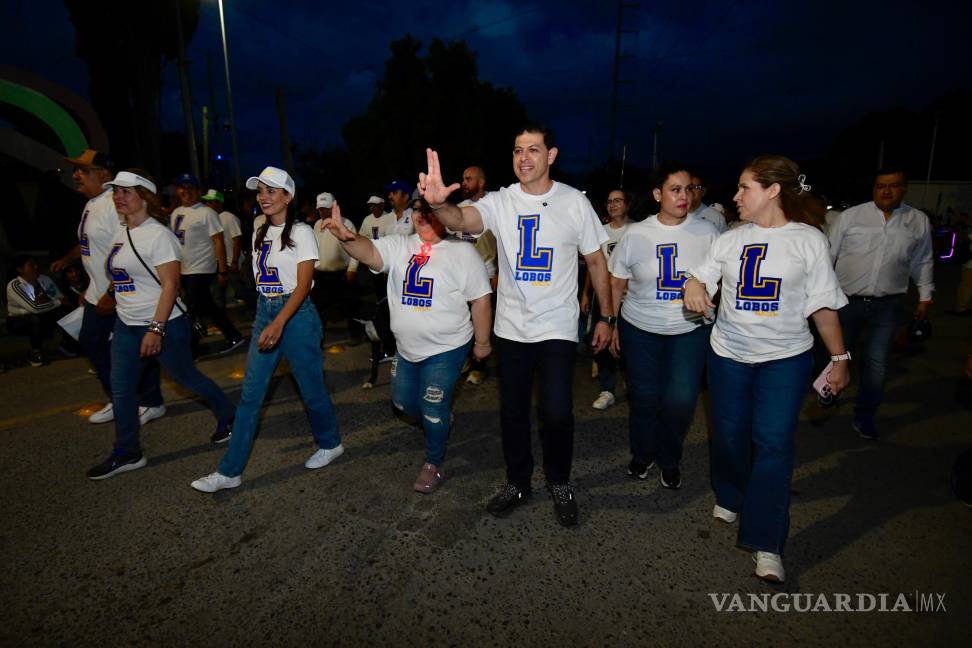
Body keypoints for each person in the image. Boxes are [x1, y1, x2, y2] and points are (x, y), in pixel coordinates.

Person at [419, 123, 614, 527]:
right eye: (517, 150)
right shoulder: (501, 200)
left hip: (557, 326)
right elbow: (462, 219)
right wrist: (438, 205)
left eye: (533, 149)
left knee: (557, 412)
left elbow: (596, 261)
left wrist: (606, 317)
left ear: (551, 156)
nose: (524, 158)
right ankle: (518, 482)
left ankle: (559, 481)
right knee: (512, 412)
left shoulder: (574, 202)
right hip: (511, 328)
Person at [682, 155, 850, 583]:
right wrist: (695, 288)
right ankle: (732, 493)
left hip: (785, 360)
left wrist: (839, 358)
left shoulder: (809, 240)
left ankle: (767, 541)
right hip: (728, 356)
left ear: (773, 190)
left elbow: (823, 305)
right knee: (729, 435)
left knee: (774, 445)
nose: (736, 196)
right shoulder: (731, 239)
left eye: (745, 187)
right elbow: (697, 277)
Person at [191, 167, 344, 493]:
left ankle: (331, 443)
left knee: (311, 389)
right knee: (250, 394)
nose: (263, 197)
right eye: (260, 191)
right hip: (266, 310)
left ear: (288, 196)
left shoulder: (302, 232)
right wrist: (267, 317)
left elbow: (303, 286)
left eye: (271, 191)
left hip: (297, 316)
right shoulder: (258, 229)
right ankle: (229, 472)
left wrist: (279, 321)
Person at [324, 197, 492, 492]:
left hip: (447, 348)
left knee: (432, 407)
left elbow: (481, 299)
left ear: (445, 213)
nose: (422, 215)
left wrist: (482, 341)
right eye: (417, 210)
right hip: (405, 348)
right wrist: (347, 238)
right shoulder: (400, 245)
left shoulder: (463, 252)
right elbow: (370, 252)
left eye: (430, 210)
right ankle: (439, 418)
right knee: (402, 403)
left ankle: (433, 463)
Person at [87, 170, 236, 480]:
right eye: (116, 192)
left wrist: (156, 329)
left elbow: (170, 285)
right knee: (122, 389)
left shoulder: (159, 235)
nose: (118, 197)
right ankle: (128, 451)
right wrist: (110, 295)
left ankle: (230, 415)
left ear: (145, 198)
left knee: (187, 378)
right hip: (126, 324)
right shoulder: (122, 232)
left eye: (126, 192)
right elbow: (121, 272)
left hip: (163, 323)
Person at [608, 165, 719, 488]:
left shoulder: (708, 232)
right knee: (644, 398)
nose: (684, 196)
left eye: (689, 189)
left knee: (681, 400)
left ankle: (670, 458)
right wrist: (611, 323)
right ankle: (643, 455)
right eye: (675, 189)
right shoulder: (635, 234)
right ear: (658, 194)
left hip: (689, 331)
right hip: (640, 329)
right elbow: (617, 282)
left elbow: (722, 278)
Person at [50, 149, 166, 425]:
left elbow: (130, 250)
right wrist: (79, 272)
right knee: (98, 344)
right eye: (76, 171)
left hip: (118, 294)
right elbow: (93, 246)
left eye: (83, 171)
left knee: (131, 347)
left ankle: (149, 401)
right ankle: (122, 399)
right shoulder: (93, 204)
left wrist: (111, 293)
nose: (76, 175)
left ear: (104, 174)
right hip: (97, 293)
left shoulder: (115, 205)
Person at [828, 167, 934, 440]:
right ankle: (829, 395)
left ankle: (864, 417)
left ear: (904, 188)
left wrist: (925, 296)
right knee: (839, 357)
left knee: (877, 364)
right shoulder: (851, 217)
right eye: (880, 186)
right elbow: (828, 256)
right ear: (873, 189)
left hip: (888, 305)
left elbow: (922, 261)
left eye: (893, 185)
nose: (886, 191)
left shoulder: (917, 221)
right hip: (846, 302)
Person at [170, 173, 245, 355]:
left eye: (190, 188)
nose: (186, 192)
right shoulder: (176, 213)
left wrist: (222, 271)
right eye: (182, 188)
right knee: (206, 306)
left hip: (202, 268)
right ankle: (233, 336)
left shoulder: (206, 213)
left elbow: (219, 242)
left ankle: (191, 349)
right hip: (185, 269)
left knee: (192, 308)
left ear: (198, 191)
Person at [582, 189, 631, 410]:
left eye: (618, 200)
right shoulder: (600, 232)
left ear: (627, 204)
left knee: (627, 344)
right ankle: (607, 389)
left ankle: (632, 383)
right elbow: (594, 266)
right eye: (609, 201)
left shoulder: (637, 231)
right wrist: (586, 293)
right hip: (604, 298)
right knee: (601, 341)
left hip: (630, 299)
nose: (612, 205)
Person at [457, 165, 498, 385]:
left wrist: (498, 271)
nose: (463, 183)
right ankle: (465, 359)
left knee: (482, 320)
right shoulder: (459, 209)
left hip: (487, 273)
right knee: (462, 320)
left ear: (481, 182)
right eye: (463, 179)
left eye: (468, 179)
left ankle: (480, 366)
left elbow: (504, 243)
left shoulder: (495, 205)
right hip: (461, 276)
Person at [309, 191, 362, 344]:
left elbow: (356, 248)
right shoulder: (317, 224)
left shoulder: (346, 223)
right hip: (321, 275)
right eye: (320, 209)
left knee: (351, 306)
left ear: (333, 207)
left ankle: (356, 335)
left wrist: (352, 269)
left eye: (325, 208)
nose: (322, 212)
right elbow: (315, 247)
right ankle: (318, 338)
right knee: (318, 308)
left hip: (342, 274)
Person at [6, 255, 73, 366]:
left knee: (66, 310)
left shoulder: (44, 279)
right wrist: (56, 302)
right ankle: (35, 351)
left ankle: (67, 343)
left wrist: (56, 302)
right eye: (31, 265)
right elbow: (35, 308)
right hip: (17, 320)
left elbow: (61, 299)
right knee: (34, 318)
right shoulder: (15, 285)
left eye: (36, 264)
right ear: (20, 269)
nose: (36, 267)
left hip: (42, 313)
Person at [200, 189, 244, 309]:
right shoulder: (211, 218)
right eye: (206, 202)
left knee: (241, 291)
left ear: (219, 202)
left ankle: (257, 307)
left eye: (210, 202)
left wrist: (234, 261)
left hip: (230, 262)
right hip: (219, 263)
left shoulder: (229, 217)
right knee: (218, 293)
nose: (207, 204)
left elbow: (237, 239)